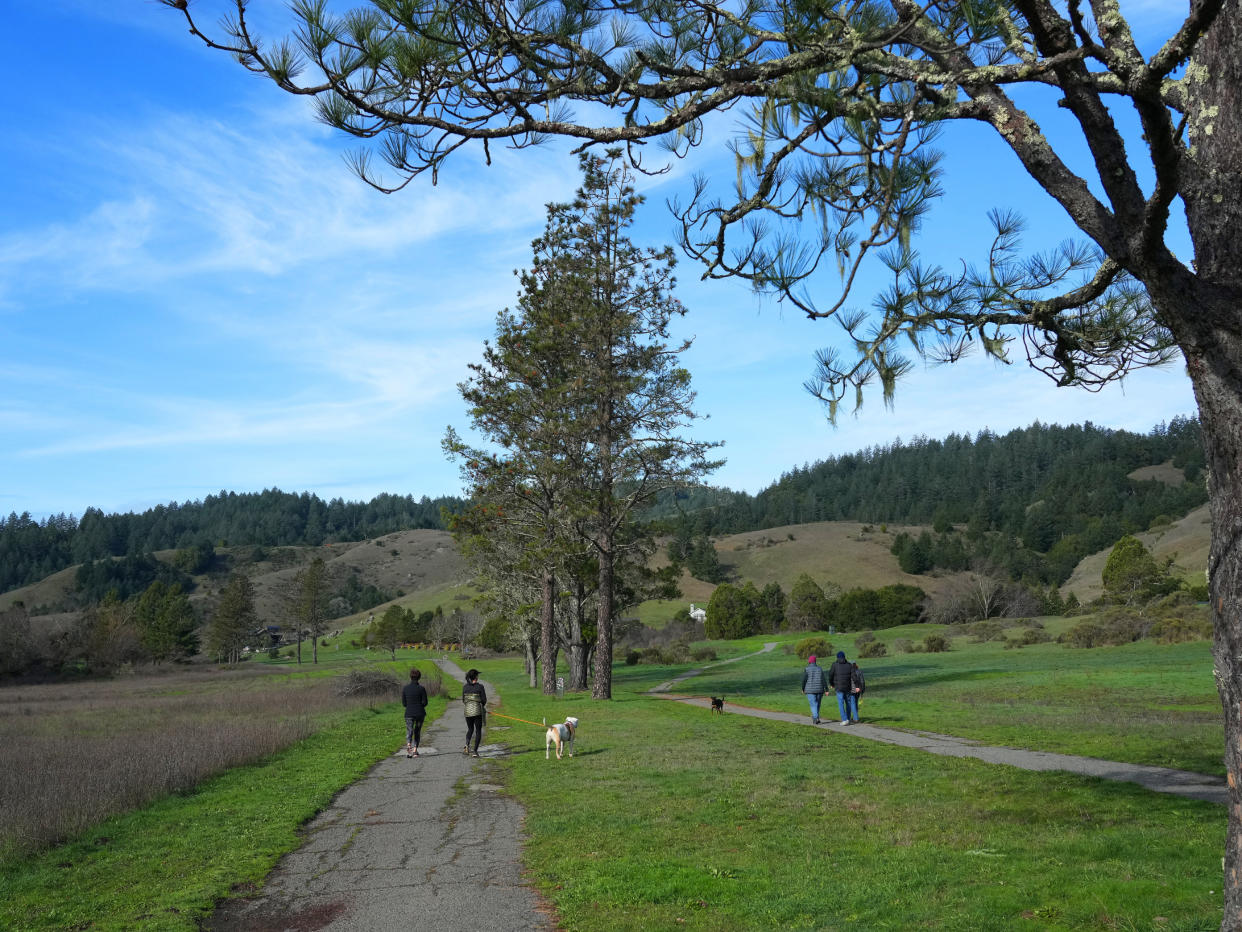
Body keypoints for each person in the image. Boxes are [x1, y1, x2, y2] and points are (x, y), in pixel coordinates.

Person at [401, 667, 429, 757]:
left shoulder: (405, 689)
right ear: (419, 677)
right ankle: (415, 750)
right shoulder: (421, 688)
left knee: (409, 730)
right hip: (420, 713)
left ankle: (408, 744)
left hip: (409, 713)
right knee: (417, 731)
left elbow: (404, 703)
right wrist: (419, 705)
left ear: (410, 677)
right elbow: (425, 702)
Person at [828, 651, 859, 725]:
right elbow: (854, 676)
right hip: (848, 687)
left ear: (837, 657)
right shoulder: (849, 665)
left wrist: (832, 684)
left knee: (841, 703)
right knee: (848, 703)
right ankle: (848, 718)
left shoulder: (834, 665)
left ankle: (844, 719)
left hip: (838, 688)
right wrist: (857, 686)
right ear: (844, 657)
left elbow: (830, 675)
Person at [462, 668, 487, 758]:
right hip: (477, 711)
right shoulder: (480, 687)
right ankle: (475, 751)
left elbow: (463, 700)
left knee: (470, 729)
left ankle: (467, 746)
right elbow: (484, 700)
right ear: (476, 677)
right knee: (478, 730)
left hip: (467, 711)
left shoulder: (465, 687)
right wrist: (481, 705)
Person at [800, 654, 827, 725]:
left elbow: (804, 680)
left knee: (813, 705)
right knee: (817, 705)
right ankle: (816, 718)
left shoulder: (807, 669)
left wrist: (803, 689)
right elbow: (823, 680)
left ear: (809, 661)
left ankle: (815, 718)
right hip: (819, 689)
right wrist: (826, 689)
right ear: (815, 661)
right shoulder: (819, 669)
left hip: (810, 690)